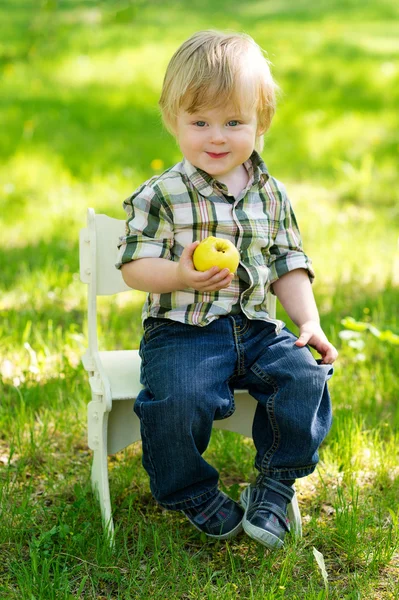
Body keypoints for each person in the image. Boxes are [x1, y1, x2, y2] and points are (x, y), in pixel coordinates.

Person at [116, 30, 338, 550]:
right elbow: (133, 264)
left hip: (259, 329)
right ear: (174, 121)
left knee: (306, 375)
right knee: (177, 398)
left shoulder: (271, 193)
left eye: (234, 122)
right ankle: (189, 491)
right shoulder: (163, 194)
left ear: (261, 124)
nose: (216, 137)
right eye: (200, 122)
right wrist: (178, 275)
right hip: (183, 332)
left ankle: (277, 484)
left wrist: (308, 322)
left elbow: (288, 262)